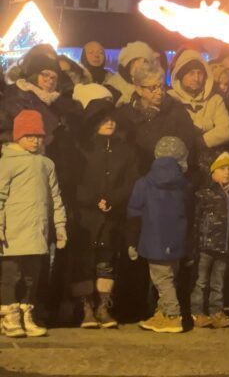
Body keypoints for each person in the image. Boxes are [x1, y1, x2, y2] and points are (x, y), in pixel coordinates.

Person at [71, 90, 139, 329]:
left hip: (112, 217)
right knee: (83, 263)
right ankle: (86, 308)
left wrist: (113, 199)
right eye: (103, 119)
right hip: (86, 216)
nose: (110, 123)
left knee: (106, 262)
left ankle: (103, 307)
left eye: (112, 118)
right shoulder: (82, 149)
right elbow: (73, 180)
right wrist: (92, 200)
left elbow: (131, 181)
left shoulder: (125, 150)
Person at [0, 110, 68, 338]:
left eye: (38, 136)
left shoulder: (46, 164)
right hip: (12, 233)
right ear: (17, 137)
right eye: (29, 135)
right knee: (11, 276)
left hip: (37, 231)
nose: (34, 140)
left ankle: (26, 312)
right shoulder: (6, 164)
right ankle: (9, 315)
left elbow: (55, 197)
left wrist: (60, 225)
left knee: (32, 277)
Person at [127, 136, 191, 334]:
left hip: (153, 240)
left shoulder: (144, 183)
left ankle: (172, 316)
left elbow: (134, 214)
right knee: (171, 277)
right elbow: (189, 212)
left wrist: (132, 242)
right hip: (177, 241)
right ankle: (162, 313)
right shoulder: (185, 185)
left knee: (162, 281)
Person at [191, 151, 229, 330]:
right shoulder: (204, 194)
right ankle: (197, 312)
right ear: (213, 172)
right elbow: (195, 221)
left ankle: (216, 311)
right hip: (205, 247)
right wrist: (192, 246)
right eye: (222, 169)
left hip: (226, 247)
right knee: (201, 281)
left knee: (218, 282)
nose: (226, 173)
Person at [117, 61, 197, 172]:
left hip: (169, 176)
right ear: (139, 89)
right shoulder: (126, 115)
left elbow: (188, 147)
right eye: (153, 88)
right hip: (137, 179)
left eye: (162, 86)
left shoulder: (177, 112)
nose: (159, 92)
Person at [168, 49, 229, 155]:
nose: (196, 78)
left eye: (200, 73)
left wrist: (200, 141)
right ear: (181, 75)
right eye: (191, 73)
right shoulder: (170, 98)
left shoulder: (215, 100)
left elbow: (226, 131)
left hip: (208, 157)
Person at [107, 41, 160, 107]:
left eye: (146, 61)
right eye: (135, 60)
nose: (138, 64)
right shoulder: (113, 86)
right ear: (128, 63)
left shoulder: (151, 83)